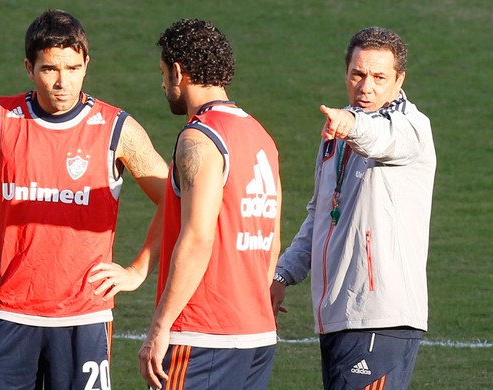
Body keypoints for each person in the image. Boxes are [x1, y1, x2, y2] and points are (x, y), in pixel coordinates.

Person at [0, 9, 168, 389]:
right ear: (29, 67)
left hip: (84, 320)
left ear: (87, 64)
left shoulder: (116, 129)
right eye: (50, 69)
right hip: (11, 314)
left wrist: (139, 268)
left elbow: (175, 197)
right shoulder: (0, 119)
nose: (63, 82)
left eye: (73, 68)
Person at [271, 26, 436, 389]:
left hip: (380, 318)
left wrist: (351, 124)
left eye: (379, 77)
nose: (367, 87)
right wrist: (282, 276)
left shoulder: (410, 127)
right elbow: (320, 216)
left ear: (399, 80)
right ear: (346, 73)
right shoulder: (335, 136)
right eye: (358, 74)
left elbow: (380, 139)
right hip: (337, 316)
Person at [137, 19, 282, 390]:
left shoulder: (199, 138)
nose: (163, 85)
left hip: (202, 336)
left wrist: (161, 324)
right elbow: (271, 241)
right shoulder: (260, 135)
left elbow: (199, 238)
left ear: (179, 72)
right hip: (257, 335)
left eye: (163, 74)